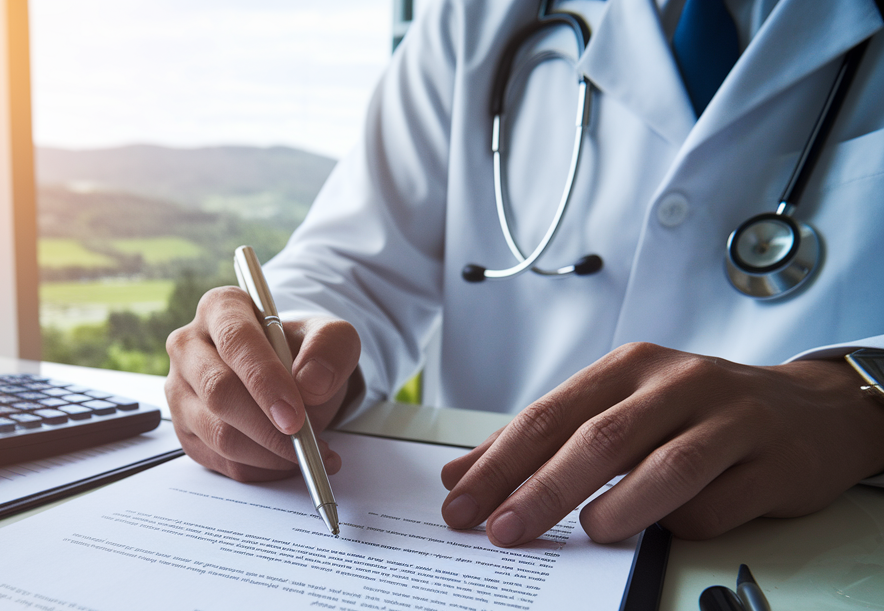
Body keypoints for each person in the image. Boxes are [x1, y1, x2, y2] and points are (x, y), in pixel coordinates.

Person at [164, 0, 884, 548]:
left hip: (811, 555)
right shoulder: (479, 15)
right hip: (492, 548)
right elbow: (354, 265)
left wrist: (865, 396)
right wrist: (288, 351)